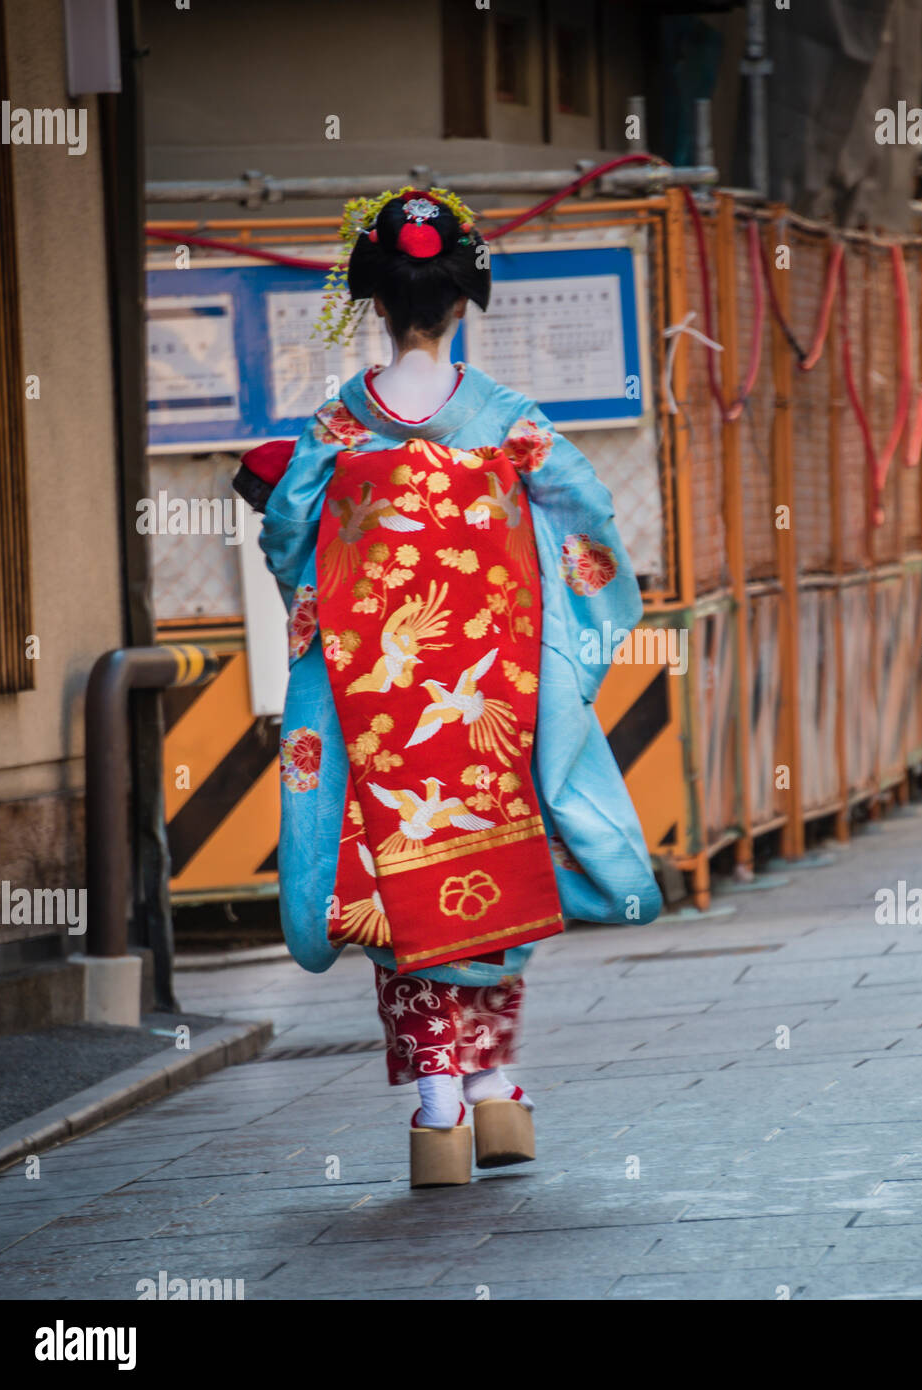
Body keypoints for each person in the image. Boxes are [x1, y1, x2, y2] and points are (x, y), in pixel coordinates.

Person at [242, 187, 661, 1187]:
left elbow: (289, 539)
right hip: (491, 689)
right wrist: (544, 605)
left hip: (375, 701)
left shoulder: (338, 426)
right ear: (464, 297)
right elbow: (589, 518)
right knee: (491, 886)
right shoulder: (509, 425)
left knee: (400, 892)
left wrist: (335, 588)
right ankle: (496, 1088)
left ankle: (438, 1109)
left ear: (374, 302)